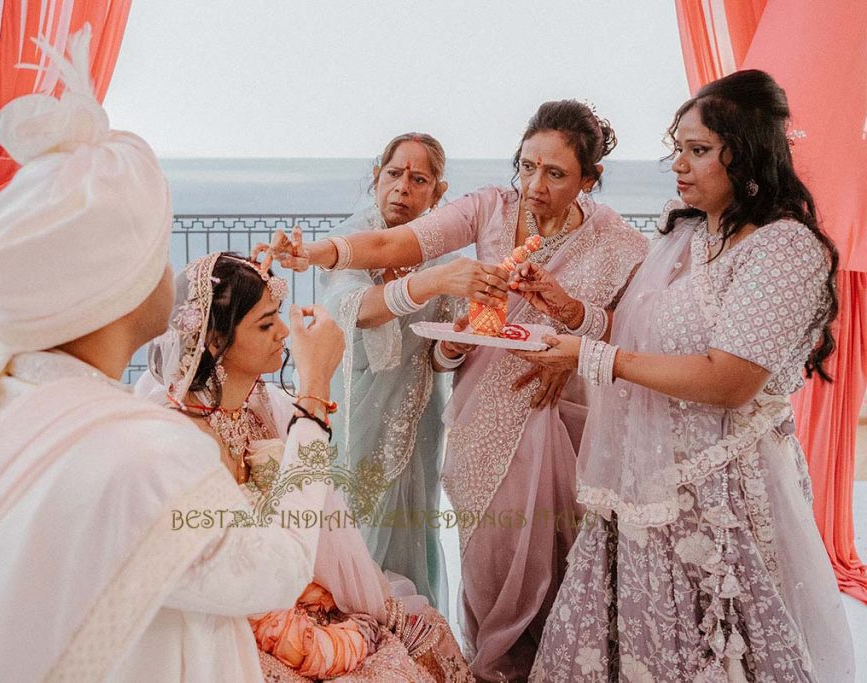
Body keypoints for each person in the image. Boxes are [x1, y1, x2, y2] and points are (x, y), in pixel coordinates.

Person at [0, 29, 343, 682]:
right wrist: (314, 397)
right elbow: (280, 568)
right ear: (117, 287)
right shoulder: (147, 456)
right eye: (156, 251)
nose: (173, 276)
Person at [257, 101, 649, 681]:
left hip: (553, 408)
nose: (535, 186)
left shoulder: (615, 239)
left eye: (557, 174)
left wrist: (573, 332)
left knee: (552, 547)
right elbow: (398, 246)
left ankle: (547, 667)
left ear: (589, 180)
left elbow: (633, 321)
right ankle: (493, 664)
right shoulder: (489, 207)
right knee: (487, 551)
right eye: (528, 165)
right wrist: (315, 252)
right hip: (475, 403)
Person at [516, 70, 855, 681]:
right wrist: (572, 313)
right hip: (643, 482)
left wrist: (589, 358)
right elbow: (640, 331)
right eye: (678, 148)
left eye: (698, 151)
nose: (679, 165)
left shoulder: (782, 250)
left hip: (721, 498)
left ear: (748, 152)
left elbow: (729, 380)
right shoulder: (690, 232)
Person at [136, 252, 473, 682]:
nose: (283, 332)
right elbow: (246, 569)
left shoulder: (265, 403)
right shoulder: (186, 440)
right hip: (239, 613)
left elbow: (326, 523)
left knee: (426, 632)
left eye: (279, 315)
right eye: (264, 324)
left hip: (294, 587)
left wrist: (374, 604)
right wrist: (314, 389)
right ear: (216, 342)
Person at [320, 132, 499, 609]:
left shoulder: (443, 257)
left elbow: (436, 355)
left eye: (418, 179)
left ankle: (410, 648)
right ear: (377, 177)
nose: (403, 187)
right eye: (394, 174)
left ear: (438, 193)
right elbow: (355, 308)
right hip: (353, 408)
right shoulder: (358, 243)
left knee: (412, 530)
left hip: (417, 416)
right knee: (353, 526)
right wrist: (431, 281)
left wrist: (455, 345)